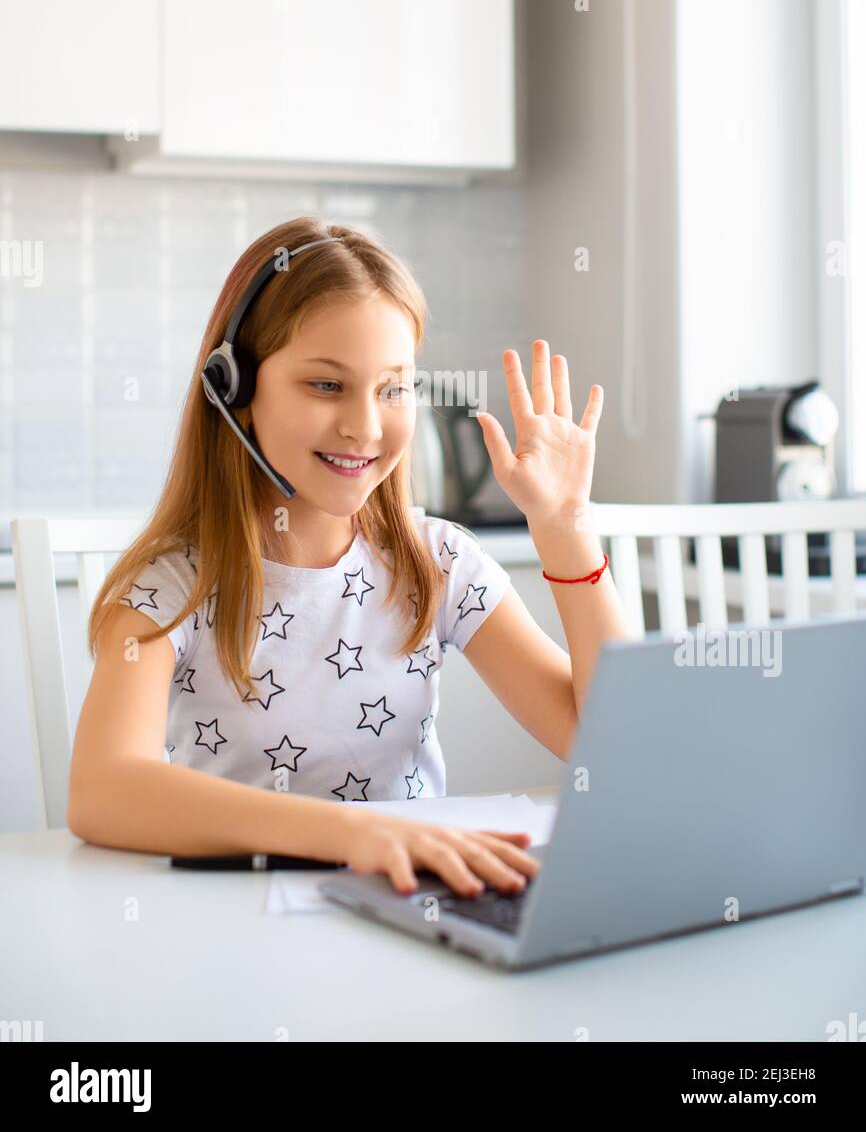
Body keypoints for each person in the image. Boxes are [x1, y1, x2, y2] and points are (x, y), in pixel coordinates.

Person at [69, 217, 633, 897]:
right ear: (234, 391)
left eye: (393, 388)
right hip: (230, 924)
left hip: (405, 912)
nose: (365, 426)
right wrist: (355, 834)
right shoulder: (171, 586)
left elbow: (616, 749)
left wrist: (566, 528)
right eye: (327, 386)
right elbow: (103, 790)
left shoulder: (440, 565)